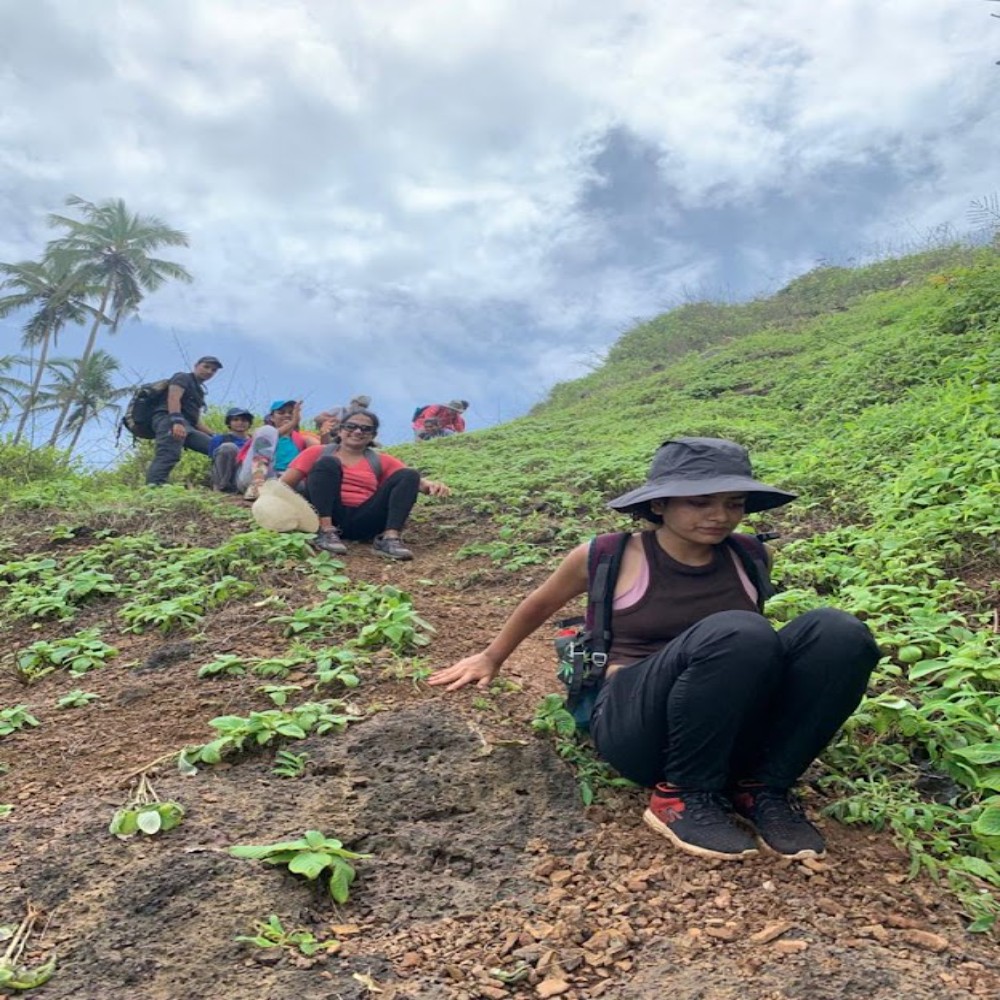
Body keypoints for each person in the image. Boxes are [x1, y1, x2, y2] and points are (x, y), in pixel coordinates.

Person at [430, 437, 880, 862]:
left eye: (734, 503)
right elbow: (541, 603)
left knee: (839, 631)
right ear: (659, 504)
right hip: (637, 724)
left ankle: (762, 787)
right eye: (701, 502)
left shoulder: (750, 555)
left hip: (726, 721)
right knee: (740, 631)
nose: (720, 516)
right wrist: (491, 656)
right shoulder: (610, 555)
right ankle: (682, 796)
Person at [279, 408, 450, 561]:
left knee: (409, 474)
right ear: (340, 430)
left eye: (366, 429)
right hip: (325, 514)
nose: (358, 431)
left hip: (365, 519)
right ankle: (325, 531)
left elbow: (413, 482)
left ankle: (390, 538)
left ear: (373, 436)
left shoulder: (380, 460)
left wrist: (432, 486)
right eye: (351, 426)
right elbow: (284, 485)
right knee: (327, 463)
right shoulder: (317, 452)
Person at [145, 356, 223, 486]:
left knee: (218, 449)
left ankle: (222, 485)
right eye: (206, 367)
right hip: (168, 419)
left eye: (213, 370)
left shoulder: (200, 392)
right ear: (196, 365)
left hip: (188, 426)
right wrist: (176, 422)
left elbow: (197, 422)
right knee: (168, 454)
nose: (209, 371)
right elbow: (173, 398)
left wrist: (217, 436)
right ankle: (153, 488)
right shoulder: (182, 377)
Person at [236, 399, 320, 500]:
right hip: (254, 476)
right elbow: (270, 435)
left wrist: (326, 433)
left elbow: (323, 450)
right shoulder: (262, 432)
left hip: (282, 480)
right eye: (281, 413)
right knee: (267, 430)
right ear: (272, 417)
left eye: (291, 413)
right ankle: (257, 485)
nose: (287, 415)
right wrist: (293, 423)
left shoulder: (301, 438)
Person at [209, 407, 254, 493]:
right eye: (235, 420)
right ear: (229, 422)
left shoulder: (254, 441)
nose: (240, 423)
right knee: (228, 447)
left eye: (244, 420)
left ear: (249, 423)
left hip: (245, 476)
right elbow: (215, 462)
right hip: (225, 477)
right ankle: (220, 488)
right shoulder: (219, 439)